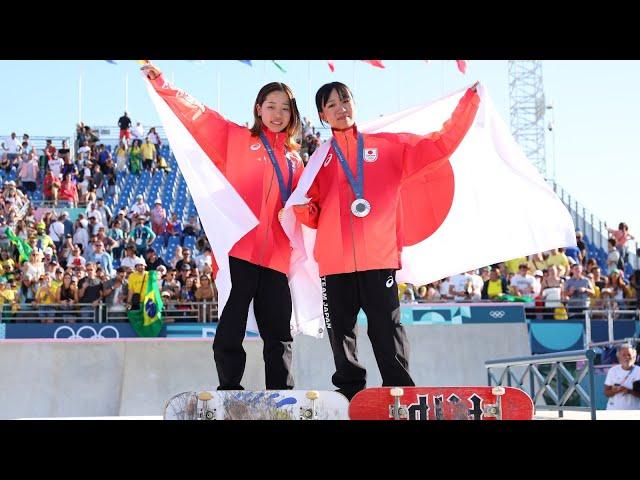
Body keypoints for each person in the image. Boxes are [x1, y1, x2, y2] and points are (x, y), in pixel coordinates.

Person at [293, 80, 479, 399]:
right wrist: (301, 210)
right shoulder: (320, 159)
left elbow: (438, 145)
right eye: (332, 105)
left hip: (378, 258)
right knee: (341, 333)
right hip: (335, 263)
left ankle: (398, 390)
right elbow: (312, 211)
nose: (341, 108)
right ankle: (350, 393)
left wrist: (469, 104)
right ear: (322, 116)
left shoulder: (387, 144)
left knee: (386, 328)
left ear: (355, 103)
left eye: (345, 100)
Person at [143, 62, 304, 391]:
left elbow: (301, 207)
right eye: (271, 106)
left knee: (279, 332)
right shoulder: (236, 137)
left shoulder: (295, 160)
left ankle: (282, 394)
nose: (277, 113)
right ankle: (229, 388)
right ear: (259, 109)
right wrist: (161, 83)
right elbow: (197, 113)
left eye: (284, 108)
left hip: (276, 257)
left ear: (292, 115)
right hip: (239, 249)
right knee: (232, 324)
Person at [604, 343, 640, 410]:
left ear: (634, 357)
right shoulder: (612, 371)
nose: (627, 358)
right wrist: (615, 391)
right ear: (619, 358)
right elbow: (606, 393)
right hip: (613, 412)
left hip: (634, 412)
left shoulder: (638, 371)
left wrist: (629, 391)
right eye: (623, 355)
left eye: (629, 355)